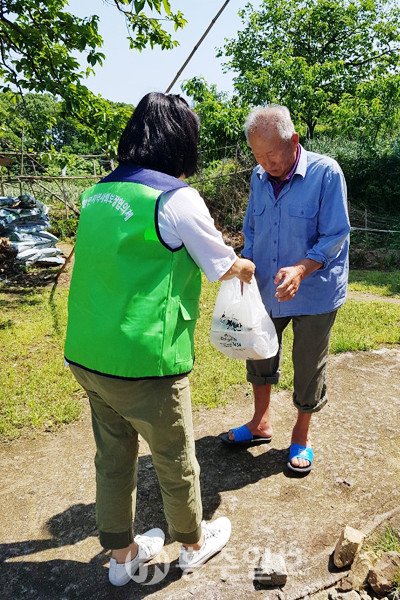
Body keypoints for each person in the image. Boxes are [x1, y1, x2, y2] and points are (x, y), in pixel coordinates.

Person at [64, 92, 255, 586]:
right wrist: (243, 263)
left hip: (88, 353)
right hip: (146, 361)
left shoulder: (96, 194)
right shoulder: (176, 198)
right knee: (174, 458)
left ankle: (121, 555)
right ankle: (193, 543)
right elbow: (221, 264)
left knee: (112, 457)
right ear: (180, 142)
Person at [219, 104, 350, 474]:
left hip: (315, 292)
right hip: (266, 288)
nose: (265, 162)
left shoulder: (326, 174)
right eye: (257, 155)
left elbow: (335, 235)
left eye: (271, 153)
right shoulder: (259, 177)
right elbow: (254, 230)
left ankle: (302, 434)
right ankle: (261, 423)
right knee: (259, 352)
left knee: (309, 364)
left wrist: (301, 269)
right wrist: (244, 264)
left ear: (294, 140)